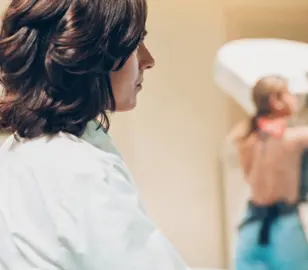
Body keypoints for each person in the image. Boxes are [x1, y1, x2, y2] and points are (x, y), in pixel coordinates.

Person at [0, 1, 189, 269]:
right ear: (87, 52)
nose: (148, 61)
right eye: (136, 44)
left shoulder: (20, 152)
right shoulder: (74, 168)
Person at [234, 75, 308, 270]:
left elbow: (248, 174)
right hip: (284, 228)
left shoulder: (244, 138)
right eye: (289, 94)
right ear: (276, 101)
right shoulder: (294, 138)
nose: (294, 99)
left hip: (251, 226)